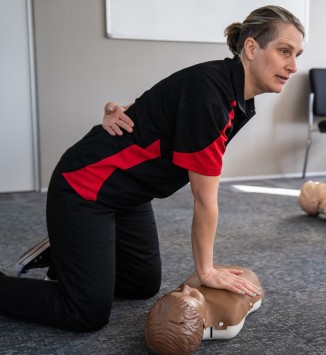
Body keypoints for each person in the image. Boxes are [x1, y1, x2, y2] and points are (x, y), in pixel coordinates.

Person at [0, 5, 304, 332]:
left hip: (131, 196)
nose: (293, 66)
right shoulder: (211, 91)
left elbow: (155, 112)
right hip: (86, 190)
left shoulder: (234, 96)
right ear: (251, 47)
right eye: (284, 51)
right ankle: (66, 246)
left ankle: (68, 253)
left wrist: (121, 109)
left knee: (141, 285)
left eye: (298, 54)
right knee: (85, 312)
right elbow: (204, 199)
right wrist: (206, 271)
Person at [145, 265, 264, 354]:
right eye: (192, 296)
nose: (185, 287)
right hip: (246, 279)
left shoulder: (189, 312)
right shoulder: (229, 318)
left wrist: (207, 271)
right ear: (204, 322)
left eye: (177, 290)